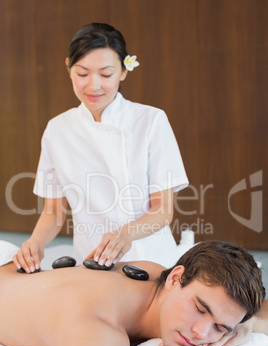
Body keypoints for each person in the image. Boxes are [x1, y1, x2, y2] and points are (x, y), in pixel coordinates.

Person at [13, 22, 189, 274]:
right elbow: (54, 212)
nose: (93, 86)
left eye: (106, 74)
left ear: (124, 71)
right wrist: (35, 243)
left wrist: (126, 234)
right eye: (82, 74)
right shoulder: (57, 129)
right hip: (90, 260)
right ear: (68, 68)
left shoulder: (151, 121)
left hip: (149, 258)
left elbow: (162, 210)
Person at [1, 240, 267, 346]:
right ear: (176, 278)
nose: (200, 332)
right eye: (200, 309)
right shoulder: (102, 331)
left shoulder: (153, 274)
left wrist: (247, 324)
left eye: (220, 327)